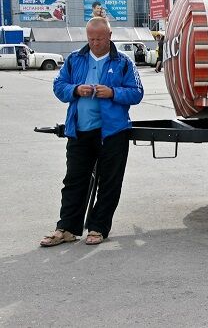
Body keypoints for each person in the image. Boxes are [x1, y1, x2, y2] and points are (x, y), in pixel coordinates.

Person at [40, 17, 144, 247]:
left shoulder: (124, 62)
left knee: (109, 182)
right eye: (91, 38)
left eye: (99, 38)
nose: (95, 43)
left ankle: (98, 228)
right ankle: (66, 228)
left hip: (112, 132)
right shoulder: (75, 59)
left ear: (109, 36)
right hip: (80, 130)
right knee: (74, 180)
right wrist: (76, 89)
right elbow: (59, 86)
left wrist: (113, 92)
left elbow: (136, 92)